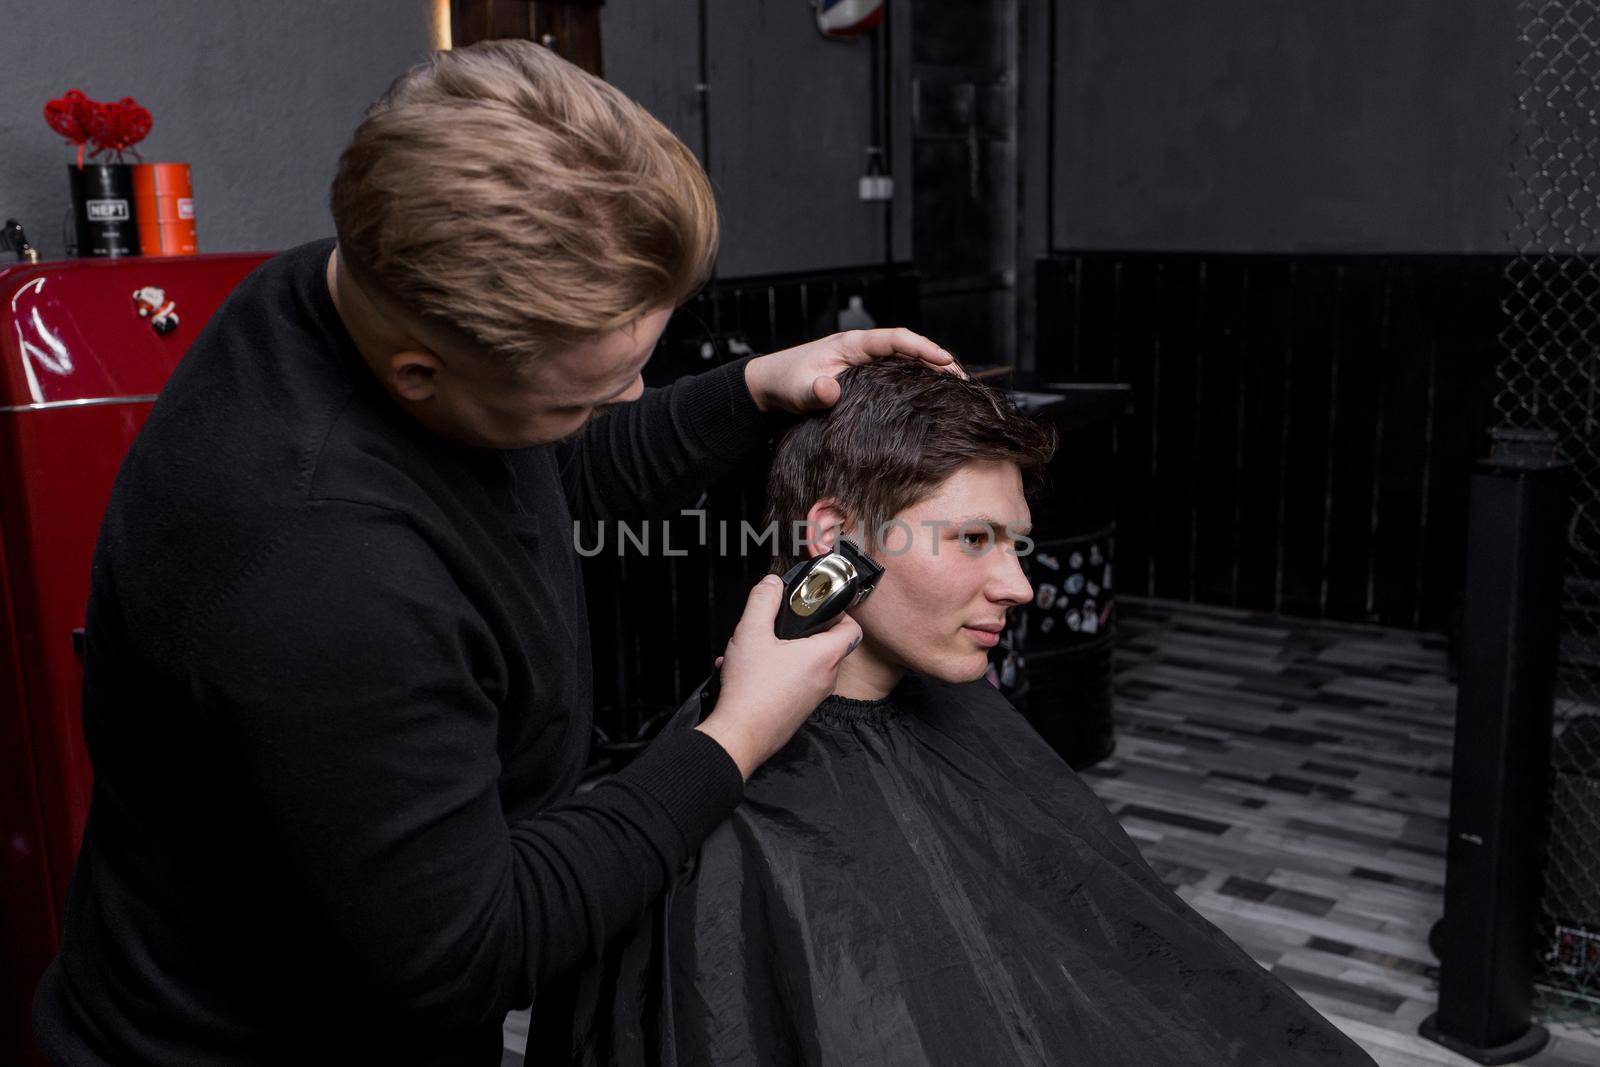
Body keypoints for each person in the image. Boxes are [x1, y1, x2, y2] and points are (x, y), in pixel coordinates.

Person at [31, 42, 958, 1065]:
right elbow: (474, 949)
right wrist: (734, 733)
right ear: (421, 372)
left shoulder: (353, 288)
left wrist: (748, 389)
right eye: (587, 393)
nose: (629, 400)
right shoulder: (321, 571)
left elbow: (536, 471)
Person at [552, 361, 1376, 1066]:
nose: (1019, 584)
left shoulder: (956, 712)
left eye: (1014, 544)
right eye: (975, 539)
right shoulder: (735, 822)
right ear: (837, 538)